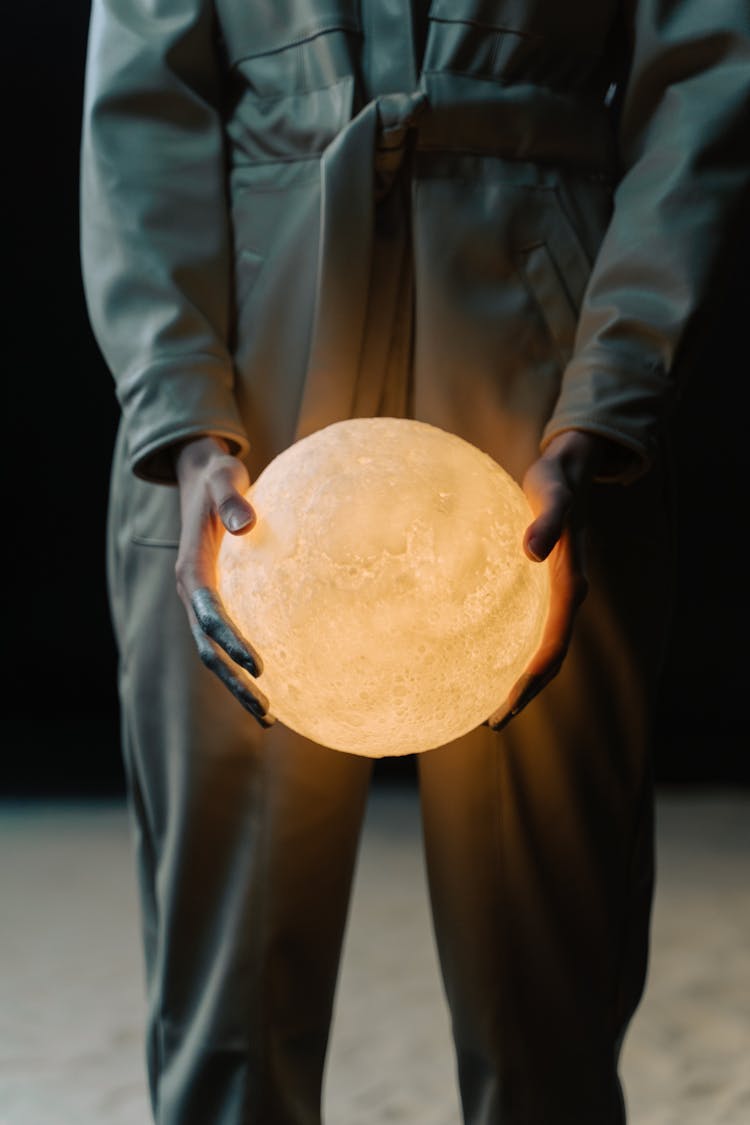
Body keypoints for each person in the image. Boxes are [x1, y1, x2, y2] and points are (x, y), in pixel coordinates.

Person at [79, 2, 749, 1122]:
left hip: (540, 383)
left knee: (550, 983)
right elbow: (142, 110)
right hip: (242, 388)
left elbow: (702, 85)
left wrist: (607, 399)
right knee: (226, 994)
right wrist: (184, 421)